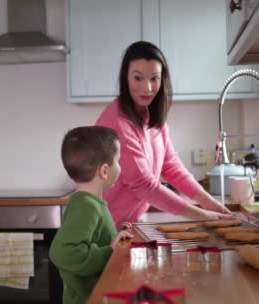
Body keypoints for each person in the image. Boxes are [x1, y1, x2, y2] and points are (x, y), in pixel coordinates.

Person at [96, 41, 234, 228]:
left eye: (154, 78)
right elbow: (145, 185)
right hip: (101, 230)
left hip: (125, 226)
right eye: (138, 78)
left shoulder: (151, 117)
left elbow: (170, 166)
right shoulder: (118, 122)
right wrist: (201, 214)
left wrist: (209, 202)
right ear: (125, 78)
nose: (148, 88)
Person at [49, 126, 134, 304]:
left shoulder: (89, 202)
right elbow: (62, 252)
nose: (120, 166)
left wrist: (115, 235)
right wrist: (109, 251)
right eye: (118, 161)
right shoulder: (86, 206)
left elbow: (90, 239)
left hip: (88, 303)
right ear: (104, 170)